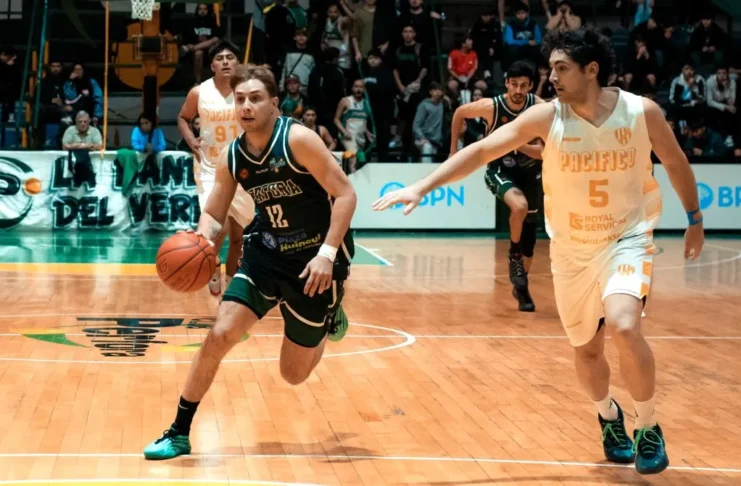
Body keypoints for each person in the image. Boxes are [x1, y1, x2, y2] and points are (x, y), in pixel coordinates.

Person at [374, 27, 705, 476]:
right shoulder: (546, 117)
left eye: (561, 69)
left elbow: (677, 162)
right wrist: (422, 185)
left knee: (625, 325)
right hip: (571, 249)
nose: (551, 78)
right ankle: (609, 416)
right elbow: (482, 150)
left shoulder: (640, 112)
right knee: (587, 350)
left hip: (625, 238)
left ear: (591, 70)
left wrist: (694, 218)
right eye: (551, 69)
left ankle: (647, 426)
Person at [144, 64, 356, 460]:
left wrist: (327, 255)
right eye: (240, 99)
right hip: (266, 255)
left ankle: (329, 319)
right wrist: (201, 239)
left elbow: (346, 195)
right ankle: (178, 432)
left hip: (314, 262)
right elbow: (214, 212)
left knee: (293, 374)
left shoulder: (298, 140)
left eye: (255, 98)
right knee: (219, 334)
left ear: (274, 104)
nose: (246, 106)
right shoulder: (233, 155)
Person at [450, 60, 544, 312]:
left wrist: (518, 144)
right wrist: (453, 152)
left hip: (530, 172)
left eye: (523, 85)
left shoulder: (540, 108)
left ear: (531, 86)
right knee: (519, 206)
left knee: (530, 243)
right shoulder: (491, 107)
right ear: (506, 84)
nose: (518, 90)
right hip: (500, 169)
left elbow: (542, 153)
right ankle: (513, 254)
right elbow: (459, 112)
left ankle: (521, 285)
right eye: (514, 84)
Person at [178, 41, 254, 297]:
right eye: (219, 58)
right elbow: (183, 118)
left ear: (237, 63)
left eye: (230, 57)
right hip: (210, 167)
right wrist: (191, 140)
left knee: (238, 236)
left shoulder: (247, 91)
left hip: (243, 168)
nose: (225, 62)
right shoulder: (199, 92)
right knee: (217, 228)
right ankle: (212, 263)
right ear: (211, 65)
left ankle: (230, 292)